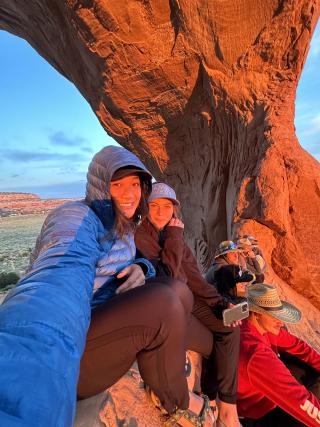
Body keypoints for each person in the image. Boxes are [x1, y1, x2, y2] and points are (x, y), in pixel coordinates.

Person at [0, 146, 211, 427]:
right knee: (166, 301)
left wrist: (142, 267)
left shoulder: (121, 224)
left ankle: (174, 363)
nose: (128, 193)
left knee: (177, 290)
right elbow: (60, 278)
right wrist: (25, 362)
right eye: (117, 184)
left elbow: (131, 261)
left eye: (135, 184)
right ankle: (178, 403)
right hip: (72, 355)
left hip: (98, 329)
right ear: (101, 186)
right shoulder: (76, 218)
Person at [135, 182, 242, 427]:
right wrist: (174, 236)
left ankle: (225, 406)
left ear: (174, 209)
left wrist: (220, 303)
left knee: (230, 327)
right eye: (154, 206)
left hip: (189, 302)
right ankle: (211, 399)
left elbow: (194, 277)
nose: (161, 212)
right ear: (145, 208)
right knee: (213, 343)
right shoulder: (141, 236)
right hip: (168, 310)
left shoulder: (173, 235)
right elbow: (167, 279)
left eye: (167, 206)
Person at [237, 283, 320, 426]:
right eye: (274, 316)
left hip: (266, 394)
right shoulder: (255, 351)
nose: (281, 322)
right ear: (256, 313)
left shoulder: (259, 326)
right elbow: (298, 399)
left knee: (311, 368)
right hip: (258, 414)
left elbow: (300, 347)